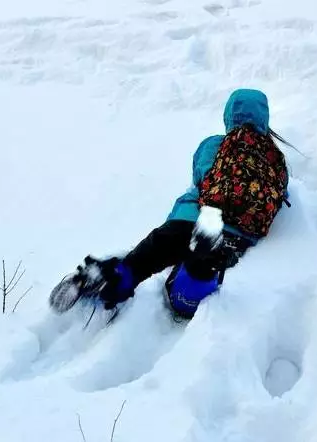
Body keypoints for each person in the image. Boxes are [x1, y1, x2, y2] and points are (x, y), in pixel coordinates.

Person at [50, 89, 291, 319]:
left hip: (191, 217)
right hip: (238, 233)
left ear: (229, 116)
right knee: (194, 280)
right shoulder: (275, 158)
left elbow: (203, 177)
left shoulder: (214, 144)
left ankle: (116, 276)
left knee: (151, 253)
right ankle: (200, 268)